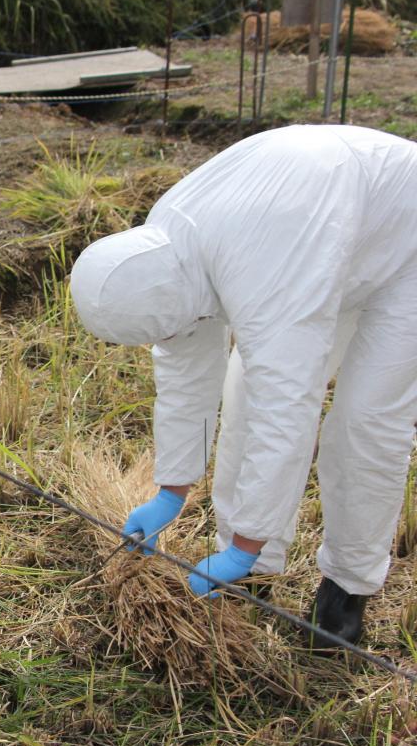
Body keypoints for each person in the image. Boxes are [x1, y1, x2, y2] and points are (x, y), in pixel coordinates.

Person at [69, 125, 417, 647]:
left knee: (364, 421)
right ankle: (256, 567)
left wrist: (244, 542)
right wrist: (171, 490)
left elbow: (289, 406)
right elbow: (186, 375)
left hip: (403, 238)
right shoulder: (165, 254)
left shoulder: (260, 265)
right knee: (244, 393)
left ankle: (345, 592)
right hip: (333, 237)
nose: (168, 339)